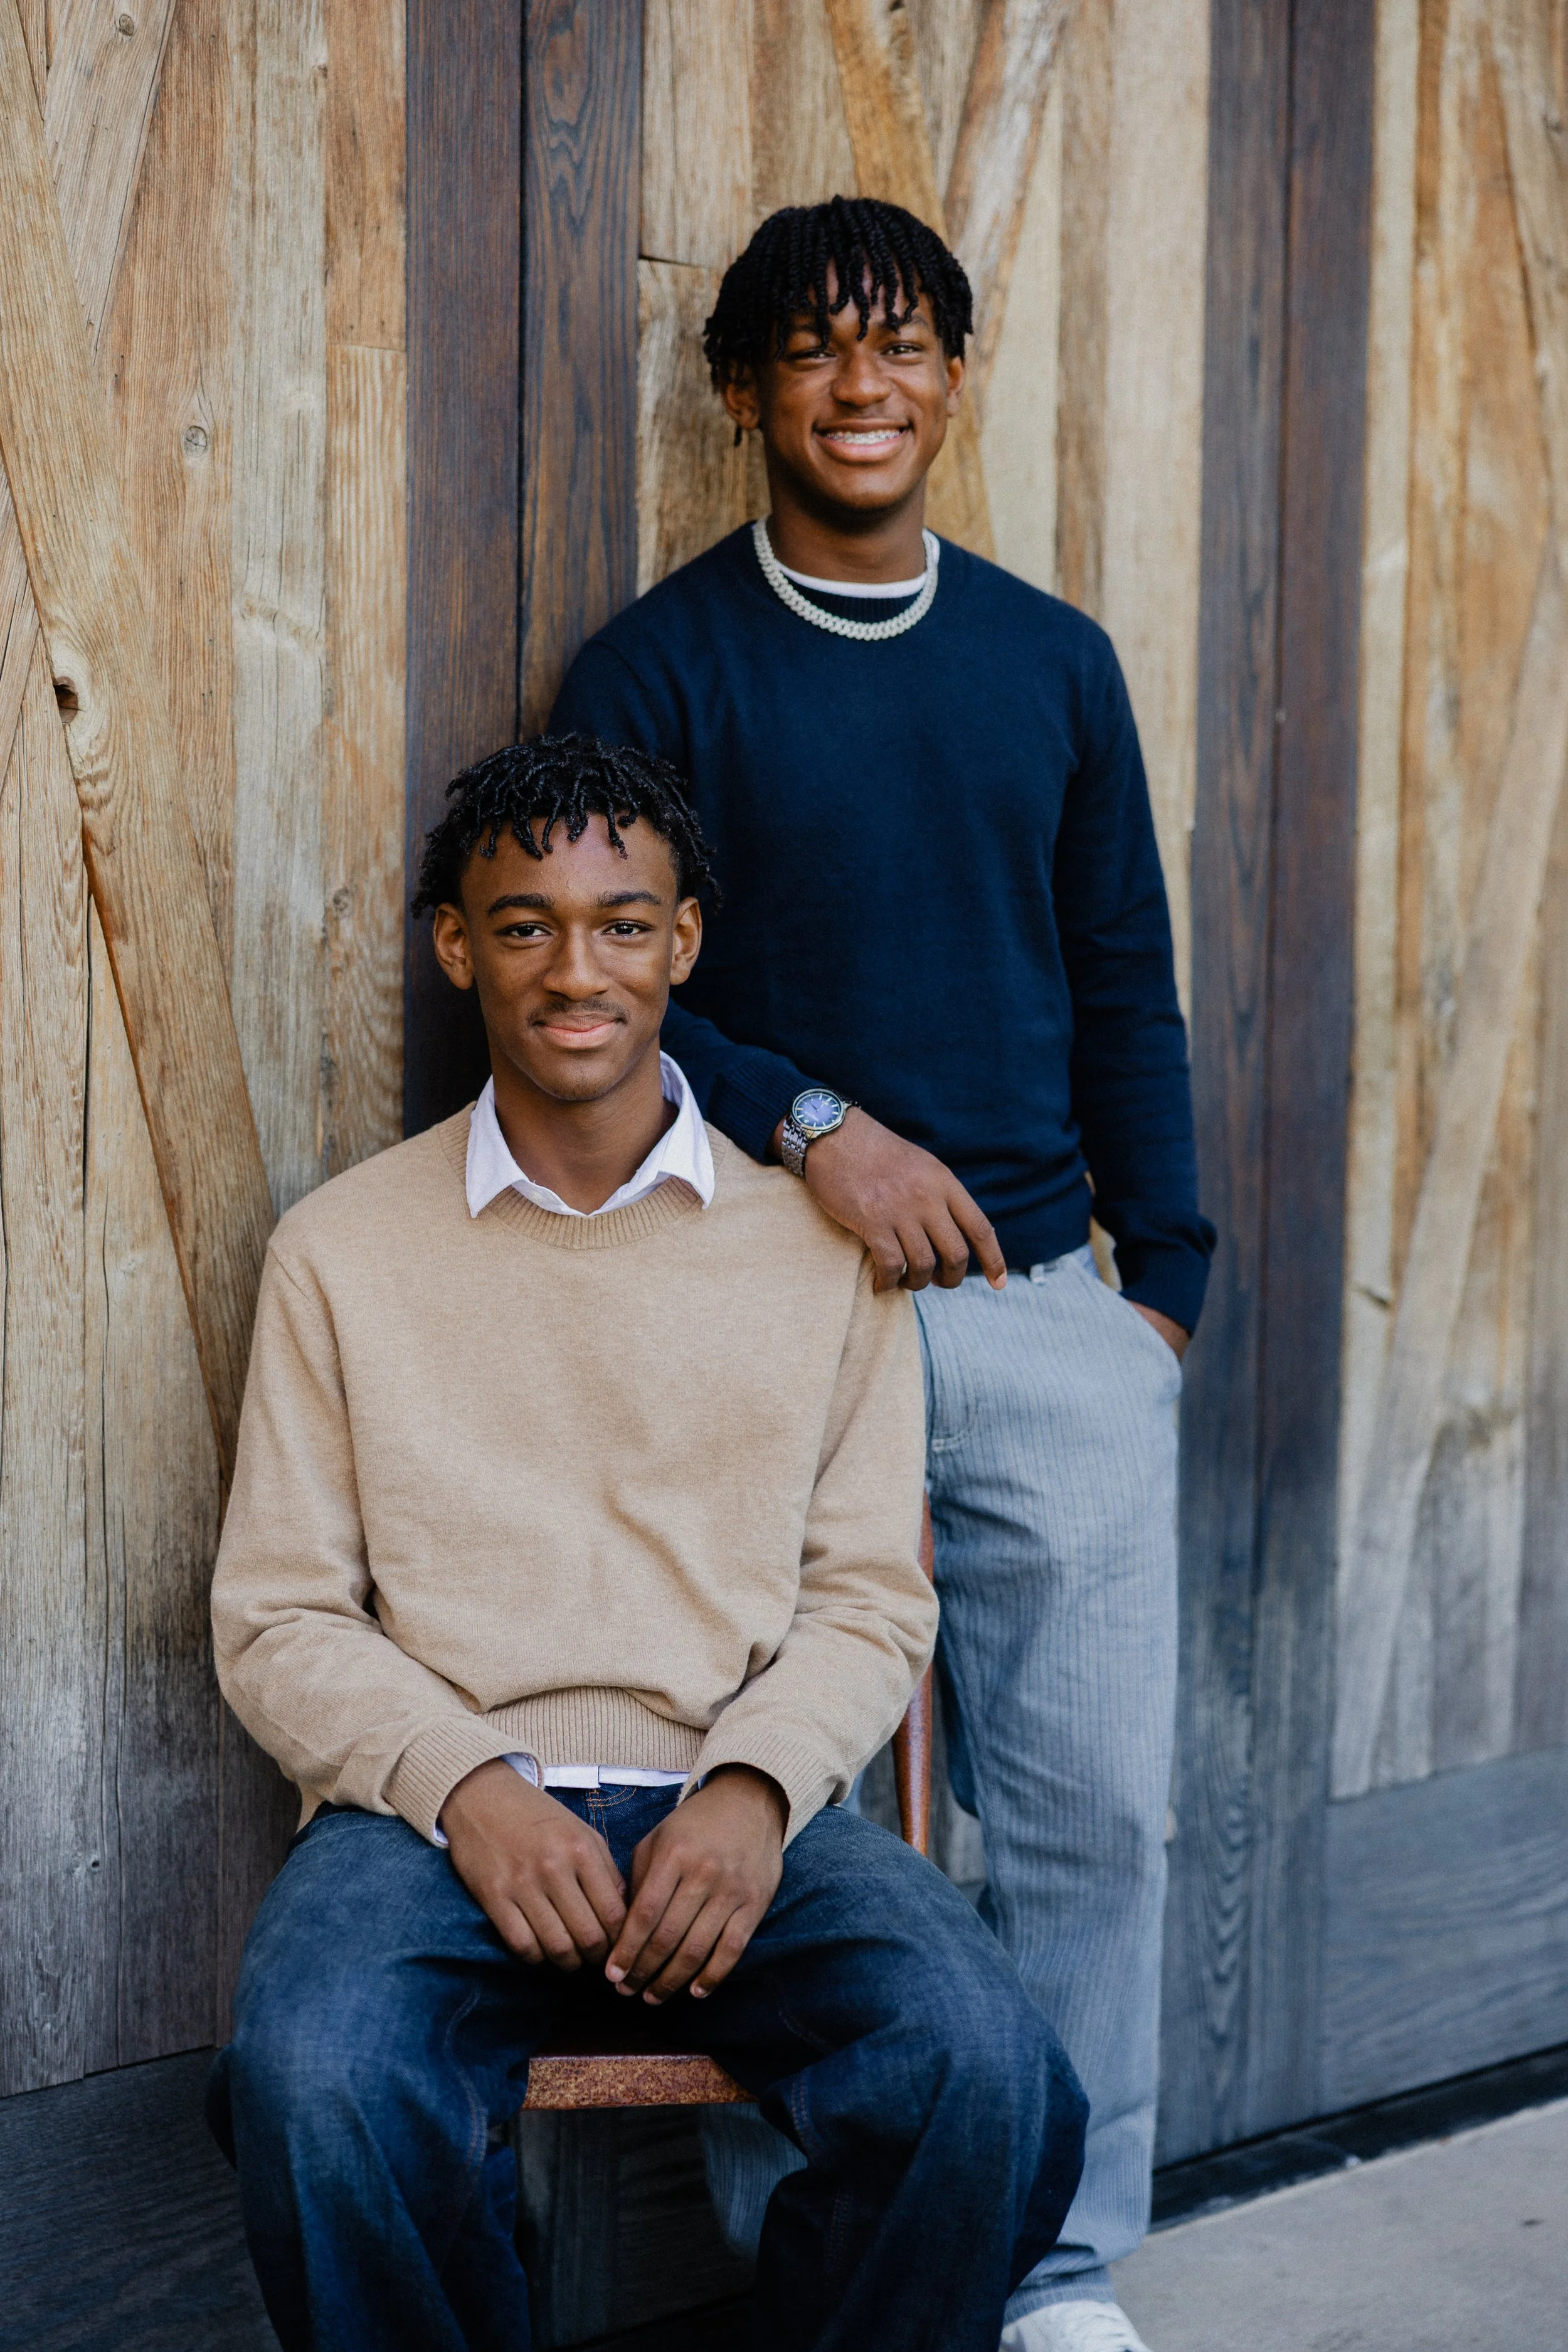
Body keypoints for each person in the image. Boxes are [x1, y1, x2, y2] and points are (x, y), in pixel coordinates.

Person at [550, 198, 1214, 2352]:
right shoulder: (656, 668)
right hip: (760, 1306)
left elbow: (1124, 975)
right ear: (744, 389)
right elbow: (609, 976)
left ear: (951, 375)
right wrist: (814, 1126)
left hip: (1042, 1304)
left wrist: (1162, 1287)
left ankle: (1061, 2264)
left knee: (1090, 1809)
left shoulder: (1049, 661)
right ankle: (827, 2261)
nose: (865, 386)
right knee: (794, 1808)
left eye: (906, 344)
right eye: (819, 352)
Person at [204, 733, 1087, 2352]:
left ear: (683, 945)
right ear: (459, 948)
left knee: (993, 2077)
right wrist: (466, 1788)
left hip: (733, 1799)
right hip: (435, 1820)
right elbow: (280, 1616)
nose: (575, 969)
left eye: (622, 923)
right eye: (525, 924)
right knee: (313, 2078)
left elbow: (870, 1601)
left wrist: (754, 1795)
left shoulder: (821, 1254)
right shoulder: (340, 1252)